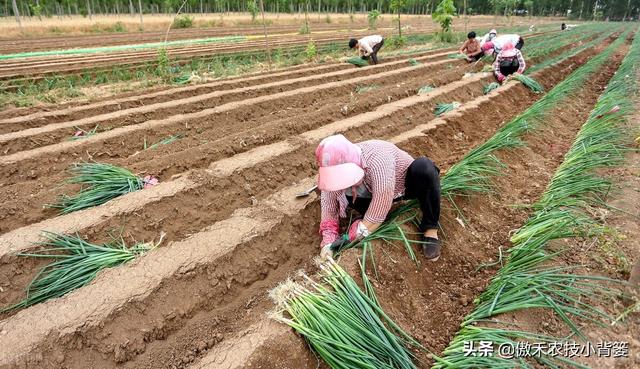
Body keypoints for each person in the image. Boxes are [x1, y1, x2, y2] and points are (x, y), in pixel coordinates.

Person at [316, 134, 442, 261]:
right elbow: (329, 211)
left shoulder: (378, 160)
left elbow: (380, 206)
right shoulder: (333, 177)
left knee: (424, 168)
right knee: (339, 192)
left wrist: (351, 237)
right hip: (371, 195)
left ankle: (430, 229)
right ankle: (371, 219)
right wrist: (328, 244)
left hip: (403, 187)